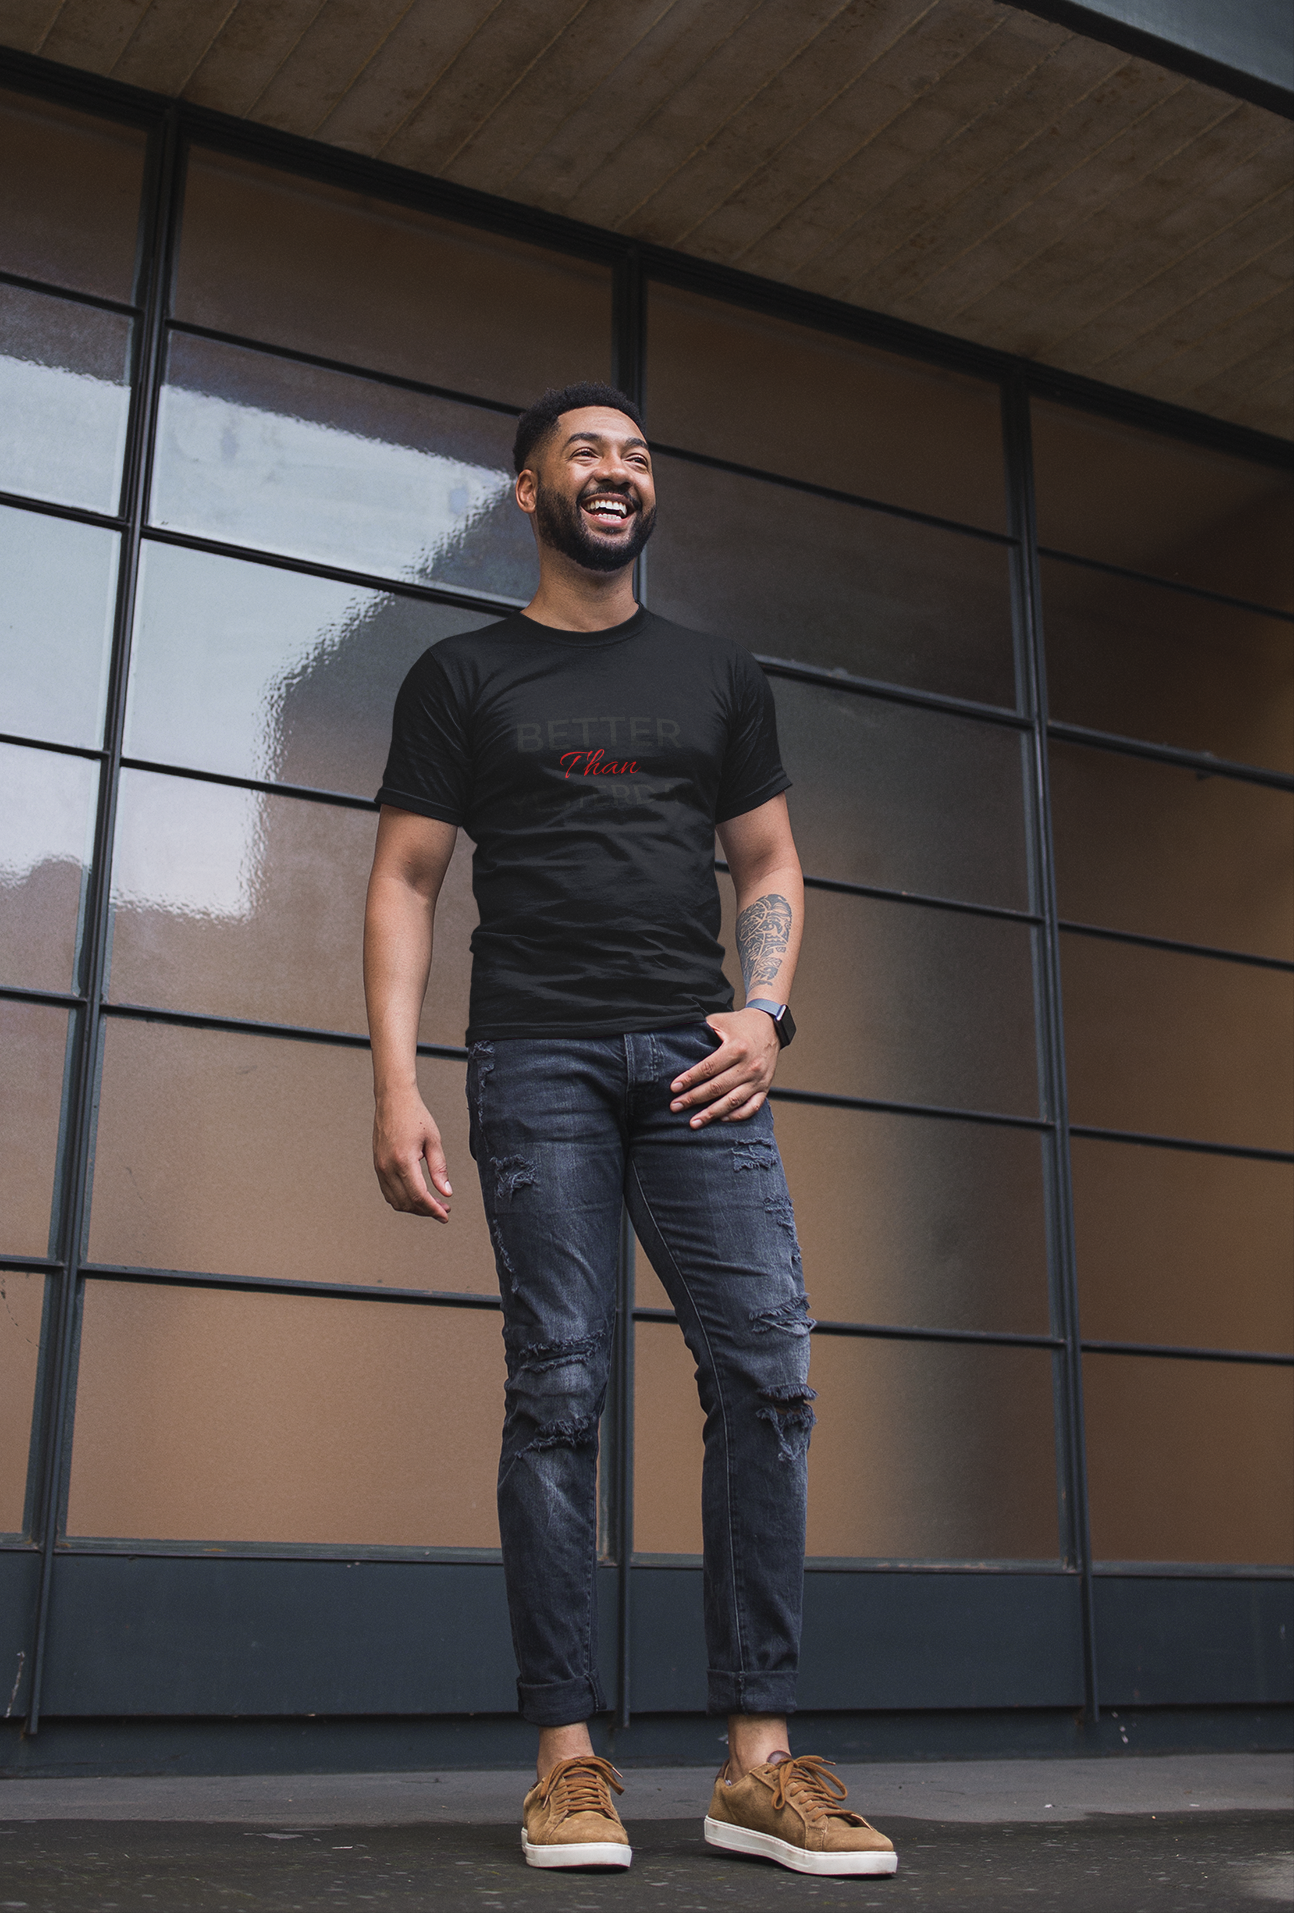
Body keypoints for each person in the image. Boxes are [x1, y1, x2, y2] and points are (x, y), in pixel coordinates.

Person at [363, 382, 897, 1880]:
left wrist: (768, 1011)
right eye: (587, 452)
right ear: (528, 491)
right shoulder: (461, 677)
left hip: (695, 1062)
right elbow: (405, 881)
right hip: (533, 1059)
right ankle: (570, 1765)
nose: (619, 469)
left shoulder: (717, 674)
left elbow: (770, 857)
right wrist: (396, 1082)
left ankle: (757, 1768)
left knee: (767, 1373)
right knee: (561, 1388)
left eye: (639, 454)